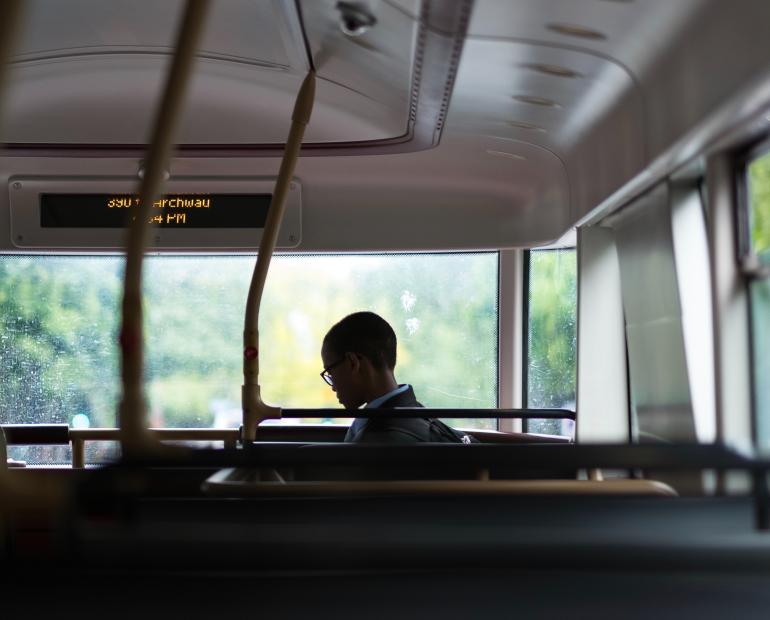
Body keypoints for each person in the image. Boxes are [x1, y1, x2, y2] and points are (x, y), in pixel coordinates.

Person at [320, 311, 475, 443]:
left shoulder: (376, 440)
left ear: (353, 363)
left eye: (331, 372)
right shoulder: (416, 413)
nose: (333, 386)